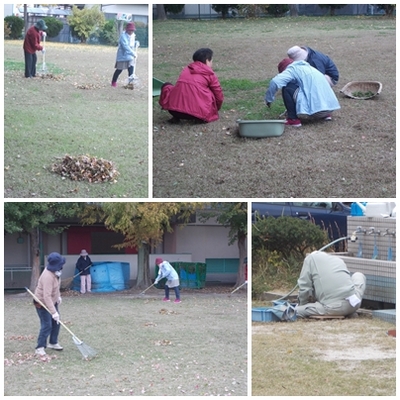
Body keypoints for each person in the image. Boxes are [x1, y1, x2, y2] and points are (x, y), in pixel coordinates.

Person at [265, 58, 340, 127]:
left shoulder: (291, 70)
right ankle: (325, 115)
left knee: (287, 88)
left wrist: (269, 99)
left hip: (317, 112)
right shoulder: (309, 68)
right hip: (330, 108)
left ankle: (293, 120)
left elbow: (275, 82)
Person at [158, 48, 224, 123]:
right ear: (207, 61)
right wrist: (215, 108)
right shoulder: (209, 74)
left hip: (174, 111)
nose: (212, 63)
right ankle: (198, 113)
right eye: (211, 61)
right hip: (198, 115)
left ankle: (176, 117)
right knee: (211, 92)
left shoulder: (186, 69)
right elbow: (218, 95)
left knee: (168, 86)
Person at [296, 251, 366, 318]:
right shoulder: (338, 260)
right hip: (354, 304)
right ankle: (349, 312)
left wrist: (302, 304)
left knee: (296, 310)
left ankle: (343, 311)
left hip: (333, 307)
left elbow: (304, 287)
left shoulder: (310, 259)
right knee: (358, 275)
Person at [33, 252, 65, 356]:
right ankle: (40, 347)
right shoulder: (47, 276)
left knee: (57, 322)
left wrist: (58, 296)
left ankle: (53, 342)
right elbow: (46, 296)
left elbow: (56, 288)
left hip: (52, 300)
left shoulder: (57, 272)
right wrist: (53, 312)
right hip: (42, 303)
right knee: (47, 325)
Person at [111, 22, 136, 87]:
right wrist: (133, 53)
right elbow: (125, 46)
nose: (131, 32)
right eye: (130, 30)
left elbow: (132, 44)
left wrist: (136, 44)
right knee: (119, 69)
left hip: (130, 56)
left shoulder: (133, 35)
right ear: (126, 30)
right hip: (123, 56)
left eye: (132, 30)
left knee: (131, 70)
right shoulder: (123, 36)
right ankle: (113, 81)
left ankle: (130, 83)